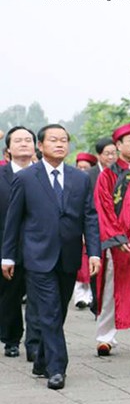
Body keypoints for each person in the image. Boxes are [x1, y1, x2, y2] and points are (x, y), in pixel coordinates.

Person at [2, 124, 101, 390]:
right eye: (53, 140)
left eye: (64, 140)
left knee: (56, 313)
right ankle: (58, 369)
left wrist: (94, 251)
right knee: (49, 311)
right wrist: (8, 256)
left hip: (68, 257)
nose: (59, 144)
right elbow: (14, 220)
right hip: (37, 256)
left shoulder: (79, 178)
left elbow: (90, 217)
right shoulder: (26, 178)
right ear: (41, 146)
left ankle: (42, 360)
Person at [94, 123, 130, 357]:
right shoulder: (108, 175)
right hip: (120, 243)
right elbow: (103, 208)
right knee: (112, 287)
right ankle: (105, 336)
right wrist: (116, 237)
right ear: (118, 145)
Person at [0, 127, 41, 362]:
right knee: (10, 294)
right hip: (7, 244)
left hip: (38, 245)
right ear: (8, 149)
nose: (24, 144)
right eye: (18, 140)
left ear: (36, 146)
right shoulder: (2, 175)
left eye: (28, 140)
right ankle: (11, 338)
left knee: (37, 296)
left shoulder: (42, 175)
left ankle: (34, 342)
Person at [73, 152, 98, 310]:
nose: (82, 170)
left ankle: (88, 296)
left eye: (85, 168)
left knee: (88, 268)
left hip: (88, 233)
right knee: (79, 271)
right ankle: (79, 296)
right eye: (79, 167)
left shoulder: (92, 182)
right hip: (75, 233)